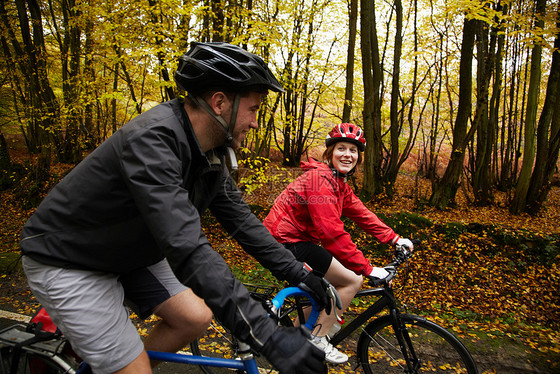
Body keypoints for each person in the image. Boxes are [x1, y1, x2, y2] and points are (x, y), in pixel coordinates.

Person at [20, 42, 331, 374]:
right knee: (133, 370)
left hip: (125, 251)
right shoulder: (153, 141)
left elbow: (241, 221)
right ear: (220, 102)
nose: (255, 123)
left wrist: (298, 273)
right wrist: (267, 336)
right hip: (68, 259)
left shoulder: (210, 153)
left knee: (194, 318)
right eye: (253, 109)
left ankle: (112, 365)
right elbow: (186, 246)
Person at [264, 123, 414, 364]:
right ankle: (316, 337)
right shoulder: (319, 180)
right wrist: (367, 268)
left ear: (359, 157)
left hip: (298, 241)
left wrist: (394, 239)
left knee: (325, 292)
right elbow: (331, 232)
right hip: (285, 241)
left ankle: (293, 338)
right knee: (352, 280)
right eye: (341, 148)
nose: (347, 154)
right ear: (330, 153)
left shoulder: (337, 183)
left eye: (353, 150)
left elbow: (362, 213)